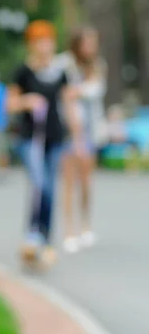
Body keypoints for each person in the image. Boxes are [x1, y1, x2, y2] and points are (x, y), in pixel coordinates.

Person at [6, 20, 79, 266]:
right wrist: (27, 101)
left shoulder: (60, 73)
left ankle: (43, 239)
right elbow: (10, 104)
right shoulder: (23, 72)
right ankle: (33, 236)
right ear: (31, 44)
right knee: (40, 185)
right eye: (39, 41)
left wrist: (77, 137)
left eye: (47, 41)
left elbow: (69, 105)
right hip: (30, 138)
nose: (44, 46)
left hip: (55, 138)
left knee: (49, 189)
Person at [56, 26, 107, 253]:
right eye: (87, 42)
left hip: (90, 130)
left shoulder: (98, 66)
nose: (91, 47)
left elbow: (95, 91)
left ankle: (85, 224)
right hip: (68, 130)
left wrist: (78, 91)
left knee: (86, 181)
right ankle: (69, 230)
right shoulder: (64, 65)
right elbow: (64, 96)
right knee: (69, 182)